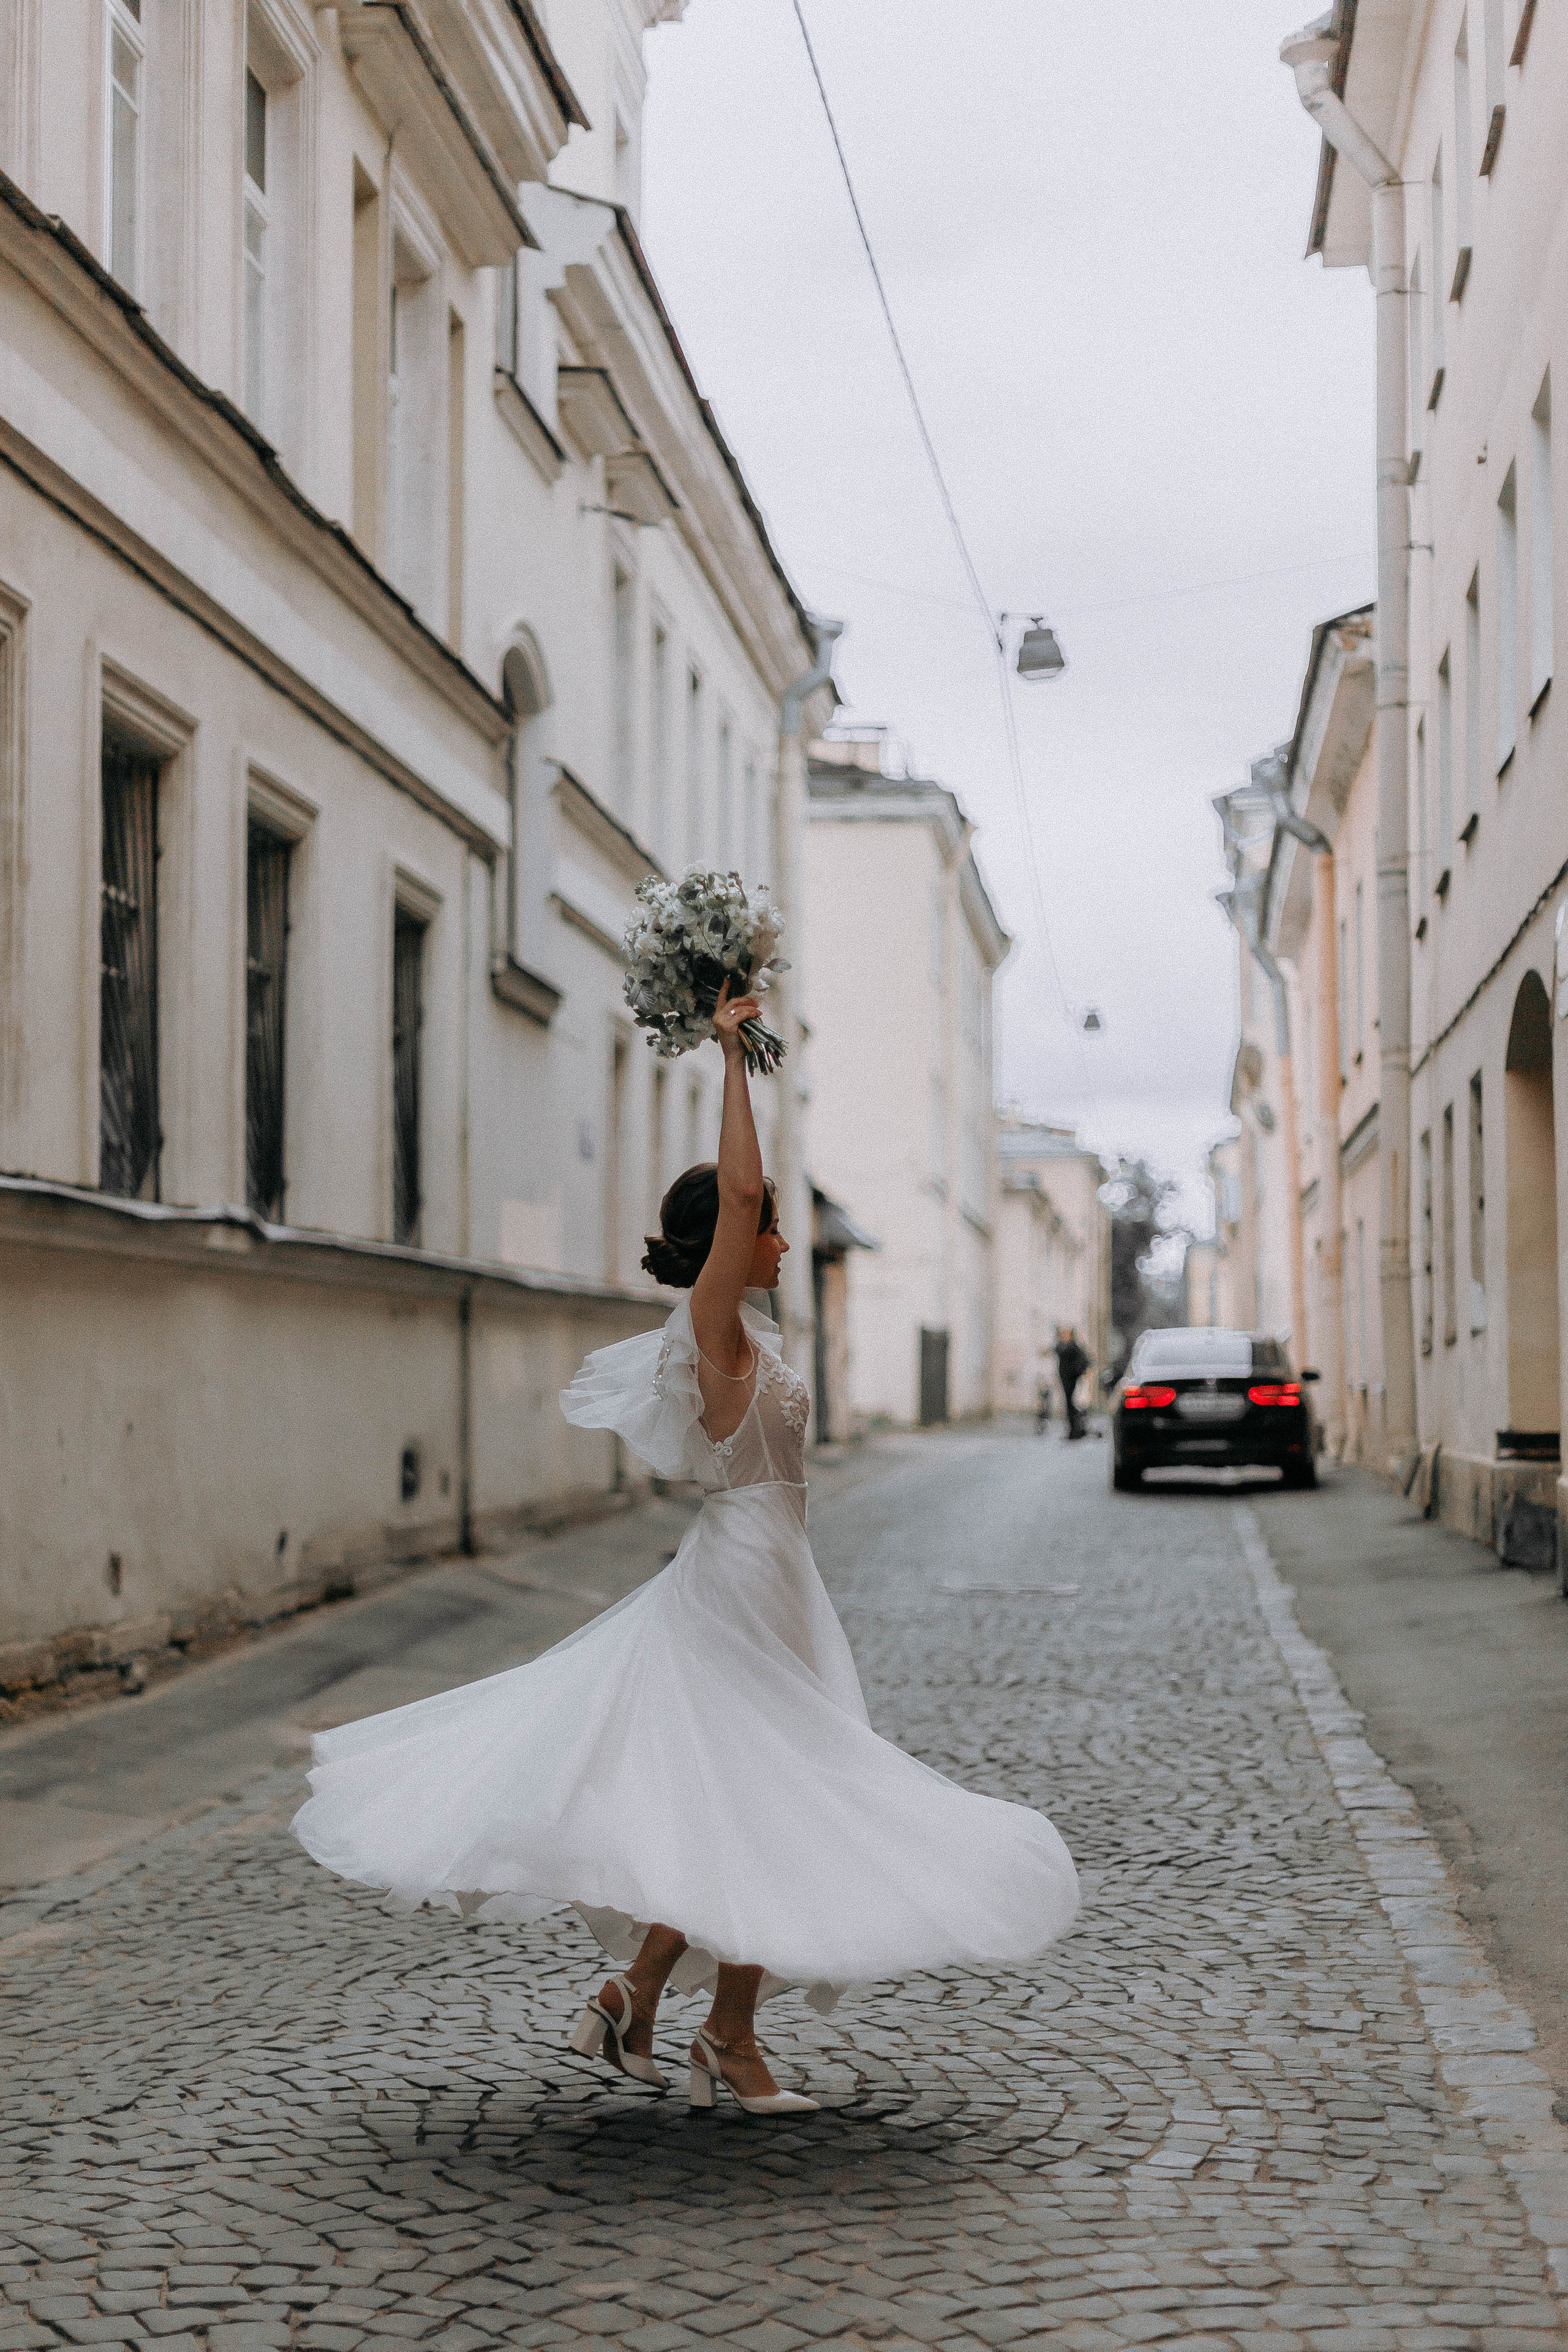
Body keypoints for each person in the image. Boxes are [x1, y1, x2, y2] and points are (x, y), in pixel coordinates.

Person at [292, 982, 1079, 2116]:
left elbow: (756, 1211)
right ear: (730, 1241)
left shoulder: (740, 1334)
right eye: (766, 1229)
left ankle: (651, 2002)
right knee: (773, 1802)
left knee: (751, 1804)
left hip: (770, 1572)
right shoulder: (711, 1332)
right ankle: (720, 2034)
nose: (783, 1236)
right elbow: (748, 1182)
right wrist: (732, 1057)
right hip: (744, 1577)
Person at [1055, 1325, 1090, 1441]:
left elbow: (1085, 1361)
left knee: (1072, 1406)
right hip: (1066, 1380)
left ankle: (1076, 1431)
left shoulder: (1073, 1347)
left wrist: (1077, 1373)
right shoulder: (1064, 1346)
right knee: (1070, 1406)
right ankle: (1074, 1431)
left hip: (1071, 1380)